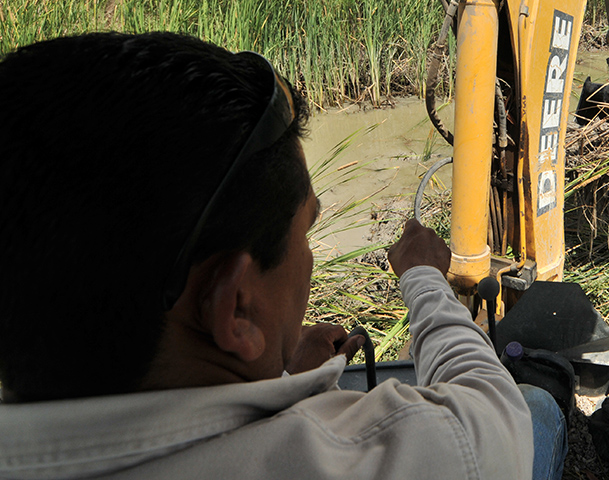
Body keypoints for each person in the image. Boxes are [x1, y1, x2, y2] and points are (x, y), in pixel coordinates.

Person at [0, 32, 566, 479]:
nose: (309, 255)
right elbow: (495, 416)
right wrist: (422, 278)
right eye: (306, 232)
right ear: (235, 307)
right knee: (539, 408)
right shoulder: (373, 455)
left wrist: (273, 371)